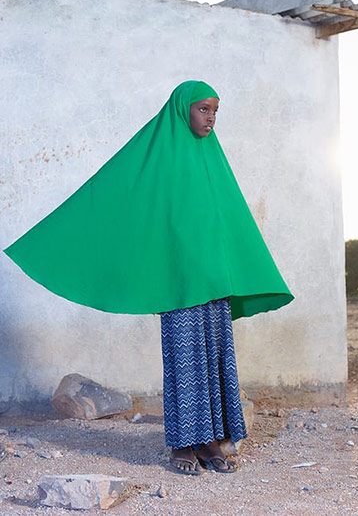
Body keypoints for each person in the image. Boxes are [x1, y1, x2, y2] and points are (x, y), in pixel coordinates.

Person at [4, 80, 293, 475]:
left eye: (214, 111)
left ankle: (210, 442)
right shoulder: (156, 152)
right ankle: (182, 445)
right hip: (177, 281)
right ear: (181, 109)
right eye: (203, 109)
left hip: (213, 279)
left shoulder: (213, 158)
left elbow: (228, 220)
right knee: (183, 360)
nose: (209, 119)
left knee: (214, 356)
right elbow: (116, 194)